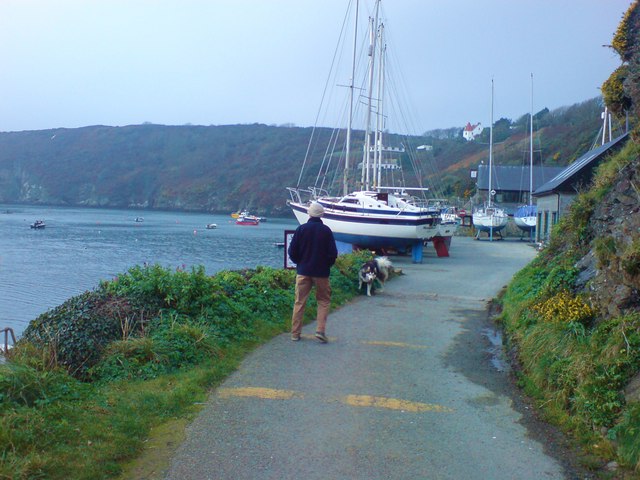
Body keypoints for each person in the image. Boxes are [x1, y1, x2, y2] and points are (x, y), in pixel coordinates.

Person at [288, 202, 338, 343]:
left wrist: (300, 263)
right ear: (322, 214)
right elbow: (332, 254)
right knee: (323, 301)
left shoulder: (301, 229)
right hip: (321, 272)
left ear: (309, 214)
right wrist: (327, 265)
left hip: (303, 271)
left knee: (299, 302)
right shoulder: (326, 231)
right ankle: (320, 330)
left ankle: (295, 333)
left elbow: (292, 251)